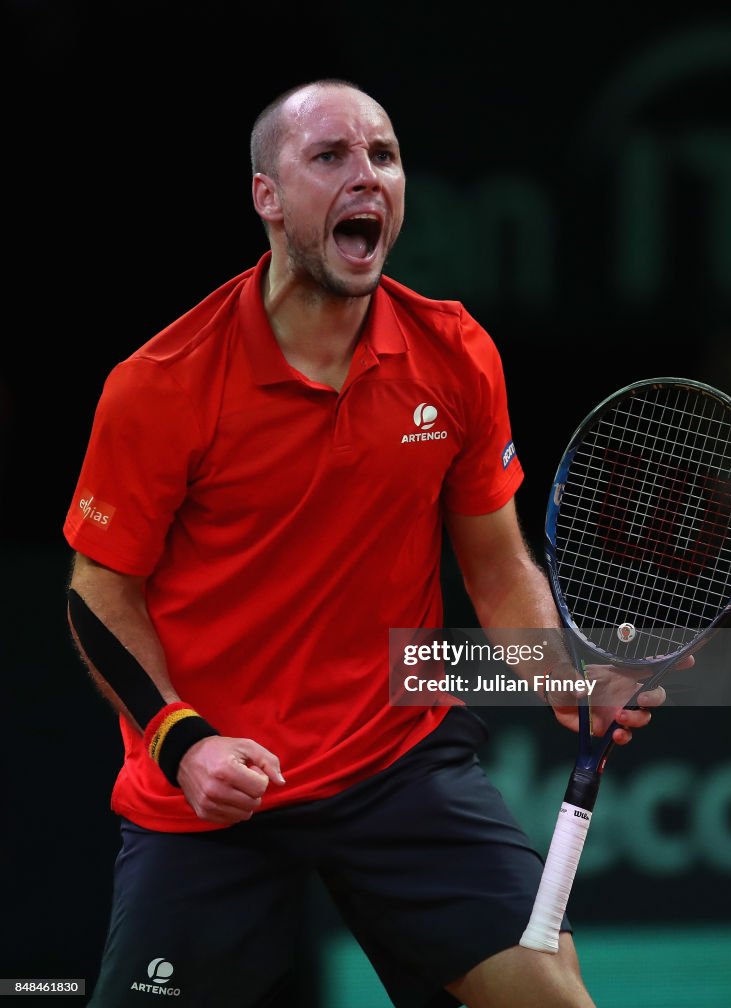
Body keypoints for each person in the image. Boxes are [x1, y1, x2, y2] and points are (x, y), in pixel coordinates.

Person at [64, 78, 671, 1008]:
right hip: (214, 790)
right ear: (267, 196)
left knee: (553, 1001)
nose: (367, 178)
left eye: (382, 157)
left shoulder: (453, 353)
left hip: (396, 766)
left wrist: (560, 674)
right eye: (330, 157)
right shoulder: (163, 384)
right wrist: (182, 742)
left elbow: (498, 565)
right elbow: (98, 593)